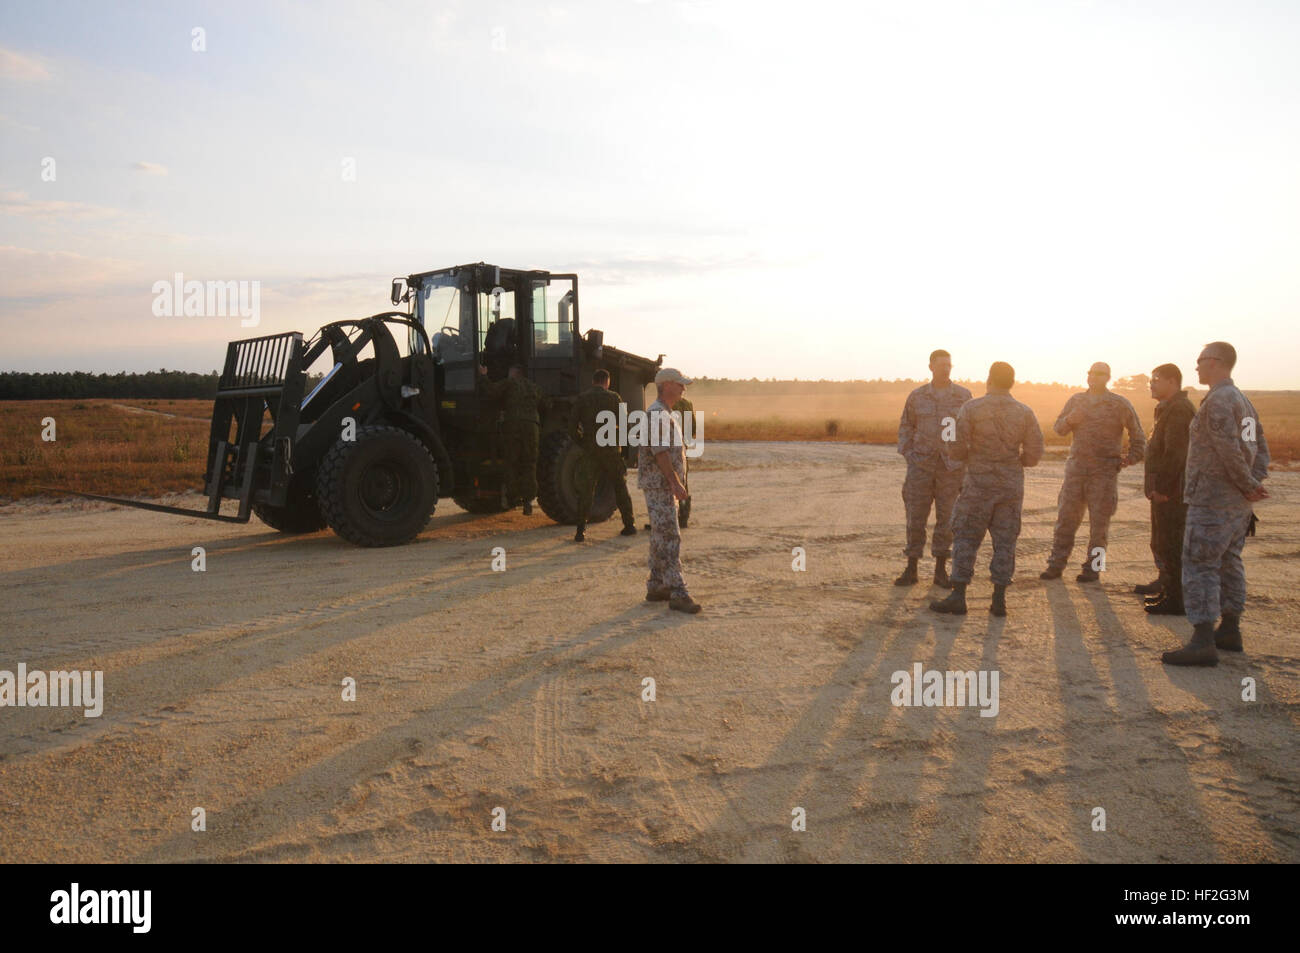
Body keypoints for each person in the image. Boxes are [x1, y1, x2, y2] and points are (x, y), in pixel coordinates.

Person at [1162, 342, 1269, 666]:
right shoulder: (1242, 401)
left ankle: (1203, 639)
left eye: (1200, 361)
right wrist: (1252, 485)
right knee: (1229, 561)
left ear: (1216, 362)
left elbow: (1228, 450)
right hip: (1236, 503)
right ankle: (1230, 630)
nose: (1196, 367)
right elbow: (1259, 448)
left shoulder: (1220, 401)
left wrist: (1249, 485)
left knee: (1200, 564)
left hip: (1212, 500)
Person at [930, 362, 1044, 617]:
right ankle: (999, 600)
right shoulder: (1025, 412)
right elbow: (1035, 452)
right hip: (1009, 486)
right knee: (1005, 541)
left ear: (989, 379)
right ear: (1012, 382)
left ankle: (959, 595)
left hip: (978, 484)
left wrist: (972, 456)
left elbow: (956, 446)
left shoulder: (972, 408)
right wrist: (1015, 462)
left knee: (966, 537)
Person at [1041, 362, 1146, 582]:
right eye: (1090, 373)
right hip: (1076, 470)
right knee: (1065, 520)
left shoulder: (1119, 404)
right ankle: (1056, 565)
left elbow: (1138, 435)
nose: (1092, 377)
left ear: (1107, 377)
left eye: (1098, 374)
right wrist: (1071, 419)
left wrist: (1131, 457)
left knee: (1100, 526)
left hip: (1104, 472)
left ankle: (1094, 568)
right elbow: (1058, 429)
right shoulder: (1076, 400)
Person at [896, 349, 973, 587]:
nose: (946, 369)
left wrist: (963, 459)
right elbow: (906, 427)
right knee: (915, 517)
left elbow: (970, 430)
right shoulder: (917, 397)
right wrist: (909, 455)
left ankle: (941, 570)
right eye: (941, 365)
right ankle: (912, 568)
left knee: (947, 519)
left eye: (949, 365)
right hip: (921, 466)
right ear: (931, 367)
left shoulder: (963, 396)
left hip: (950, 469)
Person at [638, 368, 700, 613]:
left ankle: (656, 585)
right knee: (670, 535)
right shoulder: (657, 414)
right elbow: (660, 452)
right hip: (660, 485)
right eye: (680, 384)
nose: (684, 388)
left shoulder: (665, 413)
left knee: (660, 534)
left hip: (662, 484)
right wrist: (675, 482)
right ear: (666, 386)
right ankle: (678, 591)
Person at [1139, 364, 1196, 615]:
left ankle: (1177, 601)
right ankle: (1169, 591)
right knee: (1163, 541)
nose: (1151, 384)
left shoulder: (1179, 410)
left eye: (1156, 379)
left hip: (1173, 492)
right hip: (1167, 490)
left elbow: (1176, 454)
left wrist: (1162, 488)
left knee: (1172, 543)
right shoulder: (1168, 408)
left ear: (1172, 382)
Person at [569, 368, 636, 542]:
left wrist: (582, 442)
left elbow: (572, 426)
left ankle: (580, 531)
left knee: (586, 490)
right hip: (611, 450)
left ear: (593, 381)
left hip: (590, 450)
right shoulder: (614, 398)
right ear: (607, 382)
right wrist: (620, 444)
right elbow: (625, 424)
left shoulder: (582, 399)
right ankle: (629, 525)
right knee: (620, 488)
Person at [477, 363, 545, 514]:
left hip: (513, 426)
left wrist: (483, 376)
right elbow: (546, 404)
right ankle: (528, 501)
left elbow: (491, 391)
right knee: (529, 464)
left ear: (513, 373)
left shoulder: (509, 383)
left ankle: (512, 499)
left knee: (511, 462)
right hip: (532, 428)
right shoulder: (534, 386)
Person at [671, 393, 696, 528]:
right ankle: (684, 518)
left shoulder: (668, 403)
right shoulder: (687, 404)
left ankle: (670, 518)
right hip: (682, 447)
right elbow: (693, 427)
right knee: (683, 482)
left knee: (668, 481)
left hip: (668, 447)